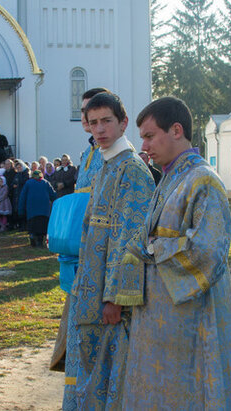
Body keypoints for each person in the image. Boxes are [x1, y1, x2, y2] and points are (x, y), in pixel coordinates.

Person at [122, 96, 231, 408]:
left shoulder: (203, 180)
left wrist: (150, 247)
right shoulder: (169, 178)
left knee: (191, 390)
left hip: (189, 316)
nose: (145, 146)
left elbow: (206, 252)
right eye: (143, 138)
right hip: (156, 314)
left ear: (176, 130)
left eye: (150, 136)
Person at [70, 91, 154, 409]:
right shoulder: (105, 165)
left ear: (123, 123)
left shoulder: (130, 170)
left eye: (107, 121)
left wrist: (114, 299)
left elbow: (130, 240)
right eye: (93, 123)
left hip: (112, 304)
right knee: (98, 376)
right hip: (93, 293)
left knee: (116, 377)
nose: (100, 129)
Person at [49, 88, 108, 411]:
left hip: (96, 254)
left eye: (96, 114)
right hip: (78, 253)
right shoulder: (87, 153)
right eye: (86, 114)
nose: (89, 120)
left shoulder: (108, 154)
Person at [18, 170, 56, 247]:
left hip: (32, 211)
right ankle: (40, 242)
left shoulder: (28, 183)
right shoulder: (45, 183)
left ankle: (32, 239)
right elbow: (53, 195)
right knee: (42, 227)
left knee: (32, 227)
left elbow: (23, 197)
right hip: (44, 210)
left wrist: (21, 210)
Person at [10, 160, 30, 230]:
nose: (19, 169)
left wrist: (18, 183)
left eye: (20, 167)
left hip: (23, 194)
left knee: (24, 210)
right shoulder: (17, 174)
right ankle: (20, 225)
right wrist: (13, 185)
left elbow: (23, 182)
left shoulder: (26, 173)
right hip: (17, 194)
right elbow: (12, 183)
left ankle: (25, 226)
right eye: (17, 168)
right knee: (18, 210)